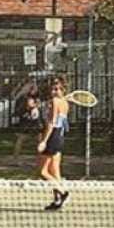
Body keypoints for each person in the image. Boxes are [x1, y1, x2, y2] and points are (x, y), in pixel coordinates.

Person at [37, 77, 71, 211]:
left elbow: (51, 123)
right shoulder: (65, 103)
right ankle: (57, 201)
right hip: (60, 137)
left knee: (43, 171)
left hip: (53, 136)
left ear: (63, 90)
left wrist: (44, 141)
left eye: (57, 89)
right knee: (55, 171)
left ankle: (63, 192)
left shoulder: (56, 101)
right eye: (53, 89)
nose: (54, 91)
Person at [13, 83, 42, 157]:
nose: (34, 90)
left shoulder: (36, 98)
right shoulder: (26, 98)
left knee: (40, 139)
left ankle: (40, 157)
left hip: (35, 122)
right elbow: (29, 105)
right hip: (27, 122)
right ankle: (15, 158)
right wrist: (36, 104)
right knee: (21, 139)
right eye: (32, 89)